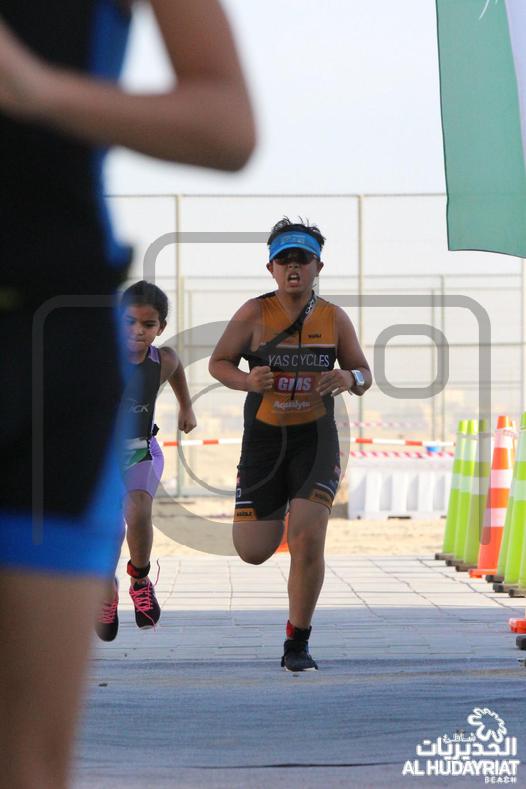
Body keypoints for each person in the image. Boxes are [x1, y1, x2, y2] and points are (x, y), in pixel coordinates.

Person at [0, 3, 254, 787]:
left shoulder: (157, 351)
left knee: (26, 760)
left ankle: (130, 578)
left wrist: (39, 90)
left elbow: (229, 126)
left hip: (45, 346)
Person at [209, 218, 372, 672]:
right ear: (271, 268)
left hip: (315, 441)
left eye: (302, 259)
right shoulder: (253, 313)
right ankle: (278, 504)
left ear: (318, 266)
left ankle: (297, 642)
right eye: (284, 260)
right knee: (253, 550)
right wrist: (246, 380)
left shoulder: (334, 318)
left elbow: (365, 374)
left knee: (308, 537)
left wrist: (348, 377)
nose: (293, 267)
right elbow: (218, 362)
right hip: (264, 441)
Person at [96, 281, 196, 641]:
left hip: (140, 449)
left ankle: (139, 579)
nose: (138, 331)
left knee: (138, 511)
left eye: (148, 324)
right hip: (102, 456)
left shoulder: (161, 360)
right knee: (110, 529)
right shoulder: (98, 357)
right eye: (130, 322)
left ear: (160, 327)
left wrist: (186, 406)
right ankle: (105, 590)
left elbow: (177, 368)